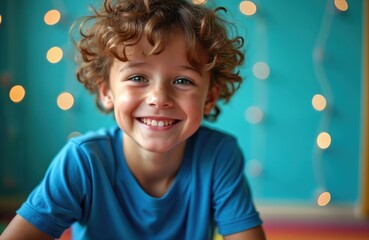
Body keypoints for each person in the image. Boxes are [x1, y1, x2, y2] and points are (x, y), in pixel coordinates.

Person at [0, 0, 265, 239]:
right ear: (106, 91)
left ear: (209, 98)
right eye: (138, 78)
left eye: (183, 80)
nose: (159, 98)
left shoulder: (219, 155)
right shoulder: (83, 161)